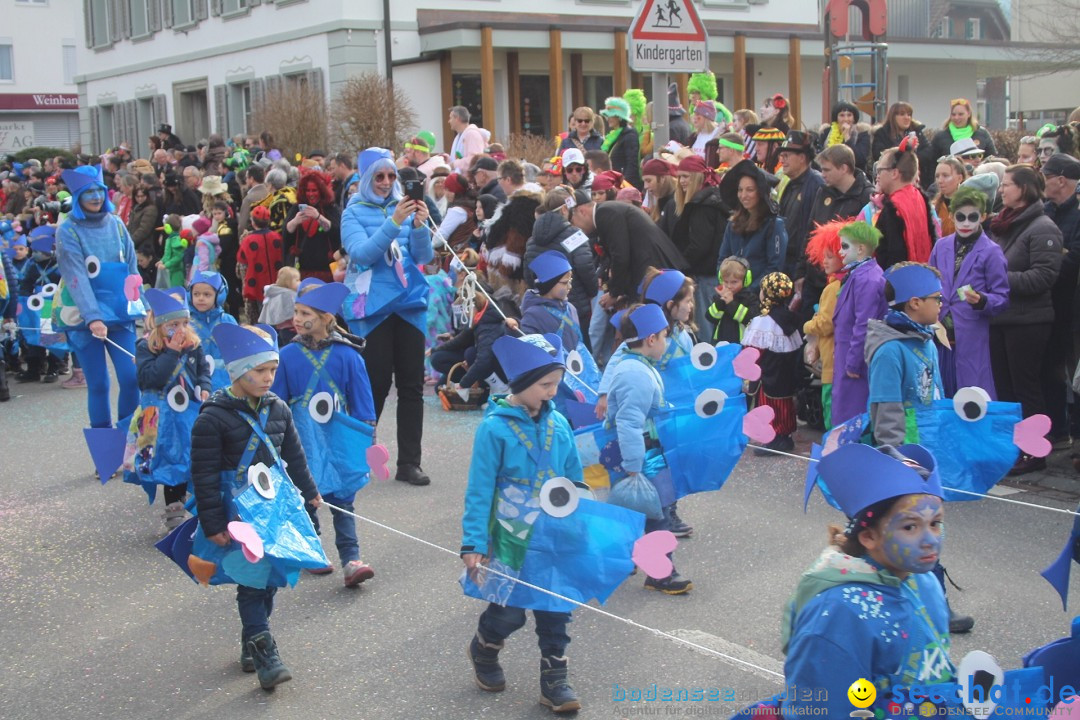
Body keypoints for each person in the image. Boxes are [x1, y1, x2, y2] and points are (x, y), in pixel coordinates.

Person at [190, 323, 322, 690]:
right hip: (236, 514)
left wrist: (310, 496)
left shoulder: (278, 408)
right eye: (259, 371)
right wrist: (213, 522)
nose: (268, 378)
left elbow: (294, 457)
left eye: (272, 371)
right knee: (251, 581)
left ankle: (252, 637)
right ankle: (265, 652)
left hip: (274, 510)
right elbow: (202, 474)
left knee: (268, 581)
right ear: (236, 371)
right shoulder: (212, 418)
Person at [775, 443, 951, 719]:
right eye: (910, 527)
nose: (930, 540)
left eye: (935, 523)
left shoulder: (924, 581)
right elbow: (821, 709)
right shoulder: (838, 614)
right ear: (868, 537)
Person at [460, 332, 583, 713]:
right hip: (509, 537)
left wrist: (581, 522)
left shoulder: (559, 424)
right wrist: (473, 543)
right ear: (522, 382)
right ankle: (485, 647)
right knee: (508, 611)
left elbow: (574, 479)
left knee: (555, 607)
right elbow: (479, 490)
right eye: (545, 385)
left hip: (552, 534)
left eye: (556, 385)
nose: (552, 392)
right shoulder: (493, 429)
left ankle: (554, 677)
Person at [271, 279, 377, 587]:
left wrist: (367, 444)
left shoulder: (348, 356)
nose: (299, 318)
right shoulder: (287, 356)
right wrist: (274, 440)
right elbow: (274, 402)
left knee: (343, 496)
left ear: (326, 318)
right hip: (301, 438)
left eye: (307, 313)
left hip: (338, 439)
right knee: (306, 493)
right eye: (297, 311)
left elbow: (363, 405)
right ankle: (312, 548)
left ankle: (351, 559)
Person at [341, 148, 434, 487]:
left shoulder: (405, 208)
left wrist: (420, 226)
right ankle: (356, 457)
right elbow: (362, 255)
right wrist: (395, 221)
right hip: (374, 308)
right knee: (375, 386)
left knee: (412, 387)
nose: (386, 183)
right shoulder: (353, 212)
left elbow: (423, 256)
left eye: (392, 176)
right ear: (366, 178)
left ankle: (410, 463)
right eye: (379, 176)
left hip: (409, 303)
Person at [605, 304, 693, 592]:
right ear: (651, 339)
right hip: (642, 453)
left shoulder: (638, 367)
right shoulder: (636, 374)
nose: (667, 342)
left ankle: (625, 560)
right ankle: (660, 573)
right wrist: (633, 465)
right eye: (665, 336)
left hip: (645, 449)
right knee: (657, 512)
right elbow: (629, 422)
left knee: (642, 511)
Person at [55, 165, 142, 434]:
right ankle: (106, 451)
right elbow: (76, 277)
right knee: (99, 383)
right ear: (78, 196)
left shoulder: (116, 223)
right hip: (85, 317)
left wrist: (140, 305)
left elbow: (131, 266)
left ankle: (128, 443)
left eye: (99, 190)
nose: (94, 196)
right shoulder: (68, 230)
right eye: (88, 191)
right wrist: (92, 317)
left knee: (131, 378)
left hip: (119, 312)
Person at [989, 164, 1063, 476]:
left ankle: (1035, 451)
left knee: (1026, 387)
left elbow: (1044, 277)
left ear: (1025, 189)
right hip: (1002, 318)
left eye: (1008, 184)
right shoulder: (1004, 224)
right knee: (1005, 388)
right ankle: (1013, 447)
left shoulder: (1043, 227)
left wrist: (998, 279)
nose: (1002, 189)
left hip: (1029, 321)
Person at [130, 288, 211, 529]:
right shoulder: (146, 347)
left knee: (192, 454)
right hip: (160, 415)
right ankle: (174, 508)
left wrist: (204, 386)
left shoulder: (194, 345)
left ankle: (199, 505)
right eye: (174, 324)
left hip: (187, 412)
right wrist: (172, 352)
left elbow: (202, 371)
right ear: (160, 324)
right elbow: (150, 379)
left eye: (185, 323)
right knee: (168, 458)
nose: (181, 329)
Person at [927, 187, 1009, 398]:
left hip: (971, 336)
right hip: (939, 334)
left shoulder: (991, 251)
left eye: (972, 217)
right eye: (960, 217)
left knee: (972, 394)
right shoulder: (941, 246)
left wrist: (982, 300)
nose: (965, 223)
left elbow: (1002, 297)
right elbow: (929, 283)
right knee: (939, 391)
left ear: (982, 217)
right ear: (952, 216)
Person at [831, 221, 887, 426]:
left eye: (845, 246)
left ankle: (849, 454)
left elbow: (865, 323)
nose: (840, 251)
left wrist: (854, 361)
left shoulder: (868, 278)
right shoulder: (860, 274)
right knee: (845, 409)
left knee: (851, 412)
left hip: (855, 357)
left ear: (861, 248)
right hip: (848, 352)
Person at [1041, 154, 1080, 450]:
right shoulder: (1046, 210)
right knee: (1050, 367)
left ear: (1061, 180)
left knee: (1074, 372)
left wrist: (1047, 265)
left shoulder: (1077, 213)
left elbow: (1073, 260)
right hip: (1049, 303)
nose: (1042, 181)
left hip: (1073, 304)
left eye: (1046, 175)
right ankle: (1058, 428)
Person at [523, 188, 598, 331]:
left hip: (543, 307)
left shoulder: (532, 240)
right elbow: (585, 267)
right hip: (574, 305)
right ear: (564, 209)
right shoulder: (575, 234)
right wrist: (592, 292)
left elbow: (528, 273)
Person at [744, 272, 802, 455]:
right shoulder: (788, 317)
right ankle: (785, 437)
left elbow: (755, 351)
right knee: (785, 406)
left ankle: (774, 440)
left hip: (769, 374)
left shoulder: (763, 322)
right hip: (786, 375)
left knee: (769, 407)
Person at [670, 155, 726, 334]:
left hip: (705, 276)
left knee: (705, 330)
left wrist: (681, 266)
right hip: (710, 274)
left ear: (698, 177)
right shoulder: (710, 200)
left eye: (686, 176)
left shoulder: (703, 205)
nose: (682, 181)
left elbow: (700, 245)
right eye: (679, 176)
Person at [802, 222, 845, 429]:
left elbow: (825, 324)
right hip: (840, 358)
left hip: (831, 363)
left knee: (831, 411)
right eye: (824, 256)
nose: (825, 261)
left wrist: (808, 325)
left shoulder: (833, 287)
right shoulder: (847, 282)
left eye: (830, 256)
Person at [717, 160, 787, 286]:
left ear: (760, 193)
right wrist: (727, 284)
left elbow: (774, 267)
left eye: (749, 190)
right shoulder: (732, 223)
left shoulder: (774, 225)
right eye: (740, 190)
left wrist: (747, 290)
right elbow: (722, 259)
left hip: (758, 298)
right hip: (731, 297)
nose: (743, 195)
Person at [870, 144, 937, 269]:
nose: (877, 176)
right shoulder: (919, 196)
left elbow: (891, 254)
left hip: (900, 281)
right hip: (924, 275)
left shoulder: (893, 208)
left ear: (894, 173)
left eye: (880, 170)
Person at [777, 131, 825, 277]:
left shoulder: (816, 184)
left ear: (802, 157)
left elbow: (814, 230)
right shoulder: (790, 184)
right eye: (781, 156)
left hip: (802, 266)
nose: (782, 160)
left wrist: (802, 269)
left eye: (787, 156)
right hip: (786, 262)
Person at [283, 171, 340, 282]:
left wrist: (318, 217)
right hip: (302, 270)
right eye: (308, 191)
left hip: (326, 270)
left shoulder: (330, 208)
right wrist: (295, 221)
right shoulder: (296, 208)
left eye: (314, 190)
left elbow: (336, 231)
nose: (311, 194)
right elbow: (287, 231)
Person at [188, 270, 239, 392]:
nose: (200, 298)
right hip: (194, 379)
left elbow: (238, 351)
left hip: (224, 381)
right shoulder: (186, 322)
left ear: (219, 296)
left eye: (207, 294)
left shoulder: (228, 321)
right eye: (196, 294)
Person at [928, 98, 997, 186]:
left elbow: (992, 158)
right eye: (953, 114)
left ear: (968, 114)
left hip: (979, 182)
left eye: (960, 114)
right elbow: (932, 165)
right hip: (949, 184)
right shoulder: (941, 137)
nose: (957, 118)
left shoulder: (982, 134)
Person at [237, 205, 285, 325]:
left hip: (257, 283)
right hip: (276, 282)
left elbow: (241, 263)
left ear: (252, 222)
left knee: (262, 317)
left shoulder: (248, 240)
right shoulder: (277, 237)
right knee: (277, 316)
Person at [708, 256, 759, 344]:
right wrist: (721, 301)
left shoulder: (750, 298)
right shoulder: (719, 297)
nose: (729, 286)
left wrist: (731, 303)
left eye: (734, 282)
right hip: (720, 343)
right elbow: (711, 317)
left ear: (745, 280)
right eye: (726, 281)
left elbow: (749, 319)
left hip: (741, 344)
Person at [598, 97, 642, 190]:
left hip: (625, 187)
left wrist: (623, 186)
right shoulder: (613, 136)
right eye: (607, 115)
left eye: (611, 115)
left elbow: (632, 164)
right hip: (613, 183)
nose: (608, 118)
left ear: (619, 117)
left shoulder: (630, 135)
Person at [816, 102, 871, 172]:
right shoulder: (826, 133)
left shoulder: (862, 134)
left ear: (854, 118)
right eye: (842, 115)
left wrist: (847, 137)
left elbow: (860, 159)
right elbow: (819, 157)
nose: (846, 119)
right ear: (836, 118)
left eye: (849, 115)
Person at [259, 266, 300, 347]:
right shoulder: (289, 295)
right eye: (297, 280)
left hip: (279, 328)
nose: (300, 282)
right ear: (288, 282)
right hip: (291, 329)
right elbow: (291, 313)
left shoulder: (275, 292)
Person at [932, 156, 969, 238]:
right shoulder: (933, 207)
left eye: (945, 176)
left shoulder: (969, 205)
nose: (940, 180)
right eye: (937, 176)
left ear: (960, 178)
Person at [641, 157, 677, 234]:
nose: (645, 186)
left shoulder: (674, 204)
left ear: (662, 178)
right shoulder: (662, 203)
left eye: (648, 180)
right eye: (644, 181)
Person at [449, 106, 486, 173]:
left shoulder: (472, 134)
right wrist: (448, 159)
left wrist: (454, 164)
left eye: (451, 118)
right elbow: (457, 157)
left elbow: (474, 159)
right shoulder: (458, 137)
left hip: (470, 180)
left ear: (457, 119)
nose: (449, 121)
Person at [686, 101, 722, 169]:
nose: (694, 118)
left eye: (698, 115)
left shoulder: (719, 135)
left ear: (706, 117)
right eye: (694, 114)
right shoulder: (694, 136)